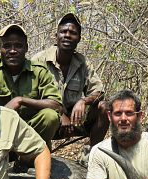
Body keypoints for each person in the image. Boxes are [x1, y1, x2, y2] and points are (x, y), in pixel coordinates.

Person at [32, 13, 109, 165]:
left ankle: (89, 156)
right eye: (63, 32)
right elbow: (30, 97)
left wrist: (83, 101)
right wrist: (59, 114)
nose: (67, 35)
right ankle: (35, 156)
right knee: (44, 116)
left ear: (79, 38)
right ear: (56, 35)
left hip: (75, 121)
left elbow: (99, 91)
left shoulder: (83, 63)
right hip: (49, 120)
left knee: (104, 107)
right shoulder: (38, 60)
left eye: (73, 33)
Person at [86, 89, 148, 179]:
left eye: (129, 113)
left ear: (139, 116)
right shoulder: (100, 150)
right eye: (118, 113)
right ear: (109, 116)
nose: (123, 119)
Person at [0, 24, 62, 150]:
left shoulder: (39, 71)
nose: (12, 51)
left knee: (50, 116)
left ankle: (30, 158)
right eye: (7, 46)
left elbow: (56, 104)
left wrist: (21, 100)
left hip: (30, 134)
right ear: (0, 48)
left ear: (26, 48)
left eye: (18, 46)